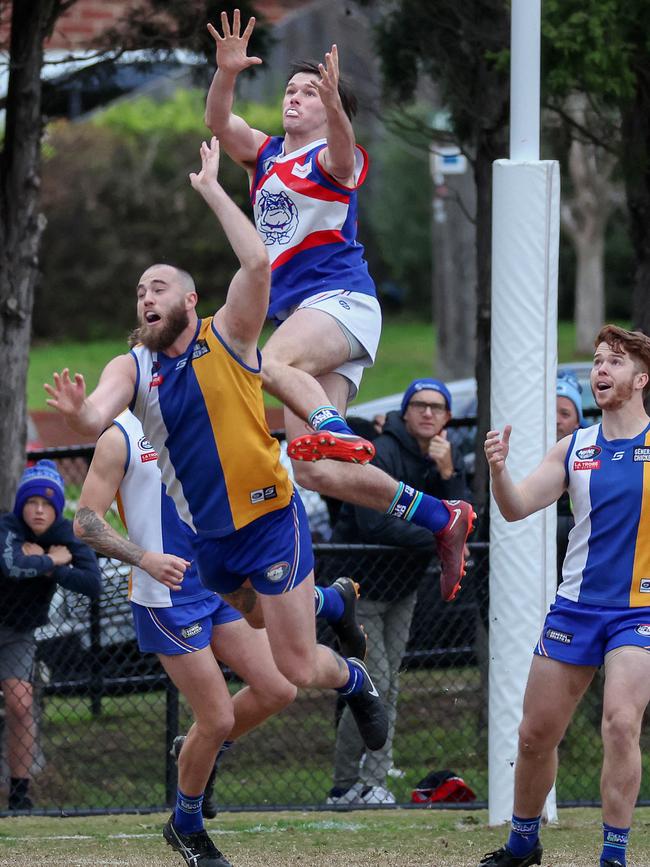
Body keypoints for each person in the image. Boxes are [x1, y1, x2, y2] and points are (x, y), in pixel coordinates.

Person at [45, 138, 386, 867]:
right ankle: (193, 810)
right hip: (191, 564)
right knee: (240, 681)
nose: (147, 297)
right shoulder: (132, 369)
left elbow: (259, 263)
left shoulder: (231, 335)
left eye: (159, 287)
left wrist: (211, 188)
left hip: (254, 531)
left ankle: (335, 650)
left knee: (283, 676)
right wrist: (78, 416)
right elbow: (94, 423)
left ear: (191, 300)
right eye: (140, 291)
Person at [204, 11, 476, 602]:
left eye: (310, 92)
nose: (295, 98)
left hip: (342, 303)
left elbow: (348, 153)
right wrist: (226, 72)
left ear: (330, 111)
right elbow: (219, 122)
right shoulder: (267, 155)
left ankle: (331, 423)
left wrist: (339, 108)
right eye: (291, 90)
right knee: (316, 471)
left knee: (266, 363)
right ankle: (440, 516)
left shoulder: (333, 158)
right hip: (309, 316)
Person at [480, 324, 650, 867]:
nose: (601, 369)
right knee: (534, 736)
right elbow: (514, 507)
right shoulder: (574, 448)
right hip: (576, 609)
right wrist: (499, 471)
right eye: (598, 360)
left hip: (639, 613)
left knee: (621, 722)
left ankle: (614, 856)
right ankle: (522, 843)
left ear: (641, 378)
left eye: (616, 361)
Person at [76, 409, 298, 822]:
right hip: (167, 595)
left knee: (279, 688)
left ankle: (195, 747)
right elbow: (86, 522)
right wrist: (144, 558)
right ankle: (186, 823)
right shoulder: (121, 435)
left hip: (219, 582)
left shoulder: (200, 416)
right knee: (216, 719)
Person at [326, 379, 470, 806]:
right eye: (419, 405)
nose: (428, 413)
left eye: (437, 407)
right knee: (375, 682)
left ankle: (364, 783)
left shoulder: (445, 457)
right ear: (405, 413)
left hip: (403, 590)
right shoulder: (384, 452)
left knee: (387, 688)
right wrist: (439, 537)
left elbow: (464, 519)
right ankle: (353, 784)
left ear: (447, 417)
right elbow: (376, 524)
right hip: (360, 588)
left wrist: (449, 475)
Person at [0, 460, 102, 811]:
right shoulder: (8, 527)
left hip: (18, 632)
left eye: (46, 503)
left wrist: (46, 563)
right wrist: (54, 561)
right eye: (31, 502)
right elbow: (12, 567)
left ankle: (19, 794)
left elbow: (92, 583)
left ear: (57, 508)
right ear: (21, 506)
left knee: (20, 703)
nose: (38, 510)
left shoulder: (66, 535)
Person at [555, 371, 587, 579]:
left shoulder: (588, 453)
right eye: (551, 412)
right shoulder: (524, 454)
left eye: (565, 414)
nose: (556, 420)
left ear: (578, 422)